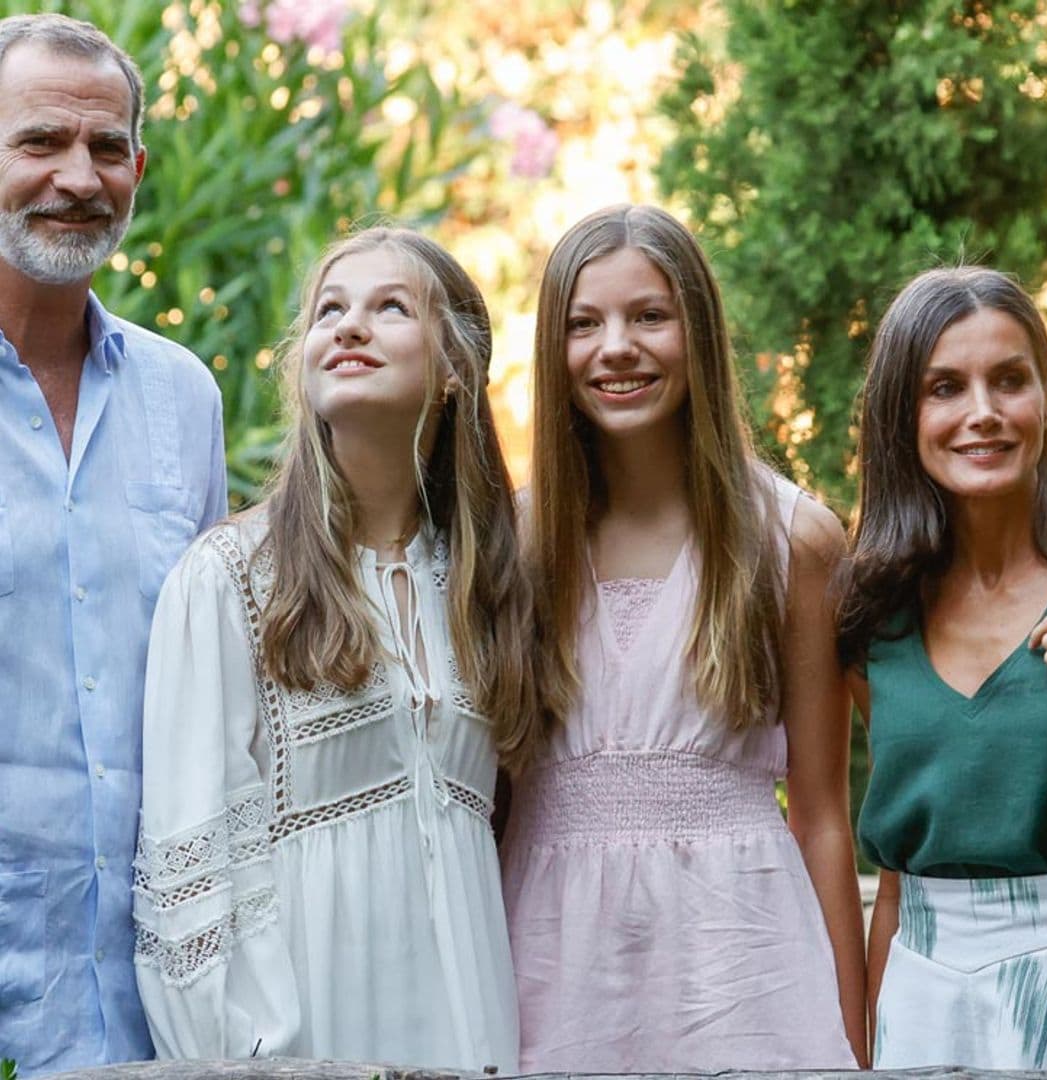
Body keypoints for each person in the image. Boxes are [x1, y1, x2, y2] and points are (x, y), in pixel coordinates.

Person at [133, 226, 532, 1068]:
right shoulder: (227, 580)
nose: (349, 327)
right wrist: (254, 1058)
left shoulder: (488, 584)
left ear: (456, 367)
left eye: (391, 307)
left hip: (474, 1027)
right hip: (308, 1043)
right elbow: (190, 877)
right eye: (329, 311)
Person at [500, 204, 866, 1071]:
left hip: (742, 961)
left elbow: (821, 814)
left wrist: (854, 1043)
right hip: (550, 957)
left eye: (649, 316)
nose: (615, 347)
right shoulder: (514, 545)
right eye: (583, 324)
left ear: (697, 330)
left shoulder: (792, 540)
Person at [0, 14, 226, 1076]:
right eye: (38, 142)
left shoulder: (185, 398)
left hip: (157, 994)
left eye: (104, 149)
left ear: (138, 165)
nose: (76, 179)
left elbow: (222, 679)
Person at [836, 266, 1047, 1069]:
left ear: (1046, 395)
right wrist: (870, 1046)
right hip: (924, 990)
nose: (983, 414)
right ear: (902, 414)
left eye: (1009, 380)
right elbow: (897, 880)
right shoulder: (872, 610)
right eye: (945, 387)